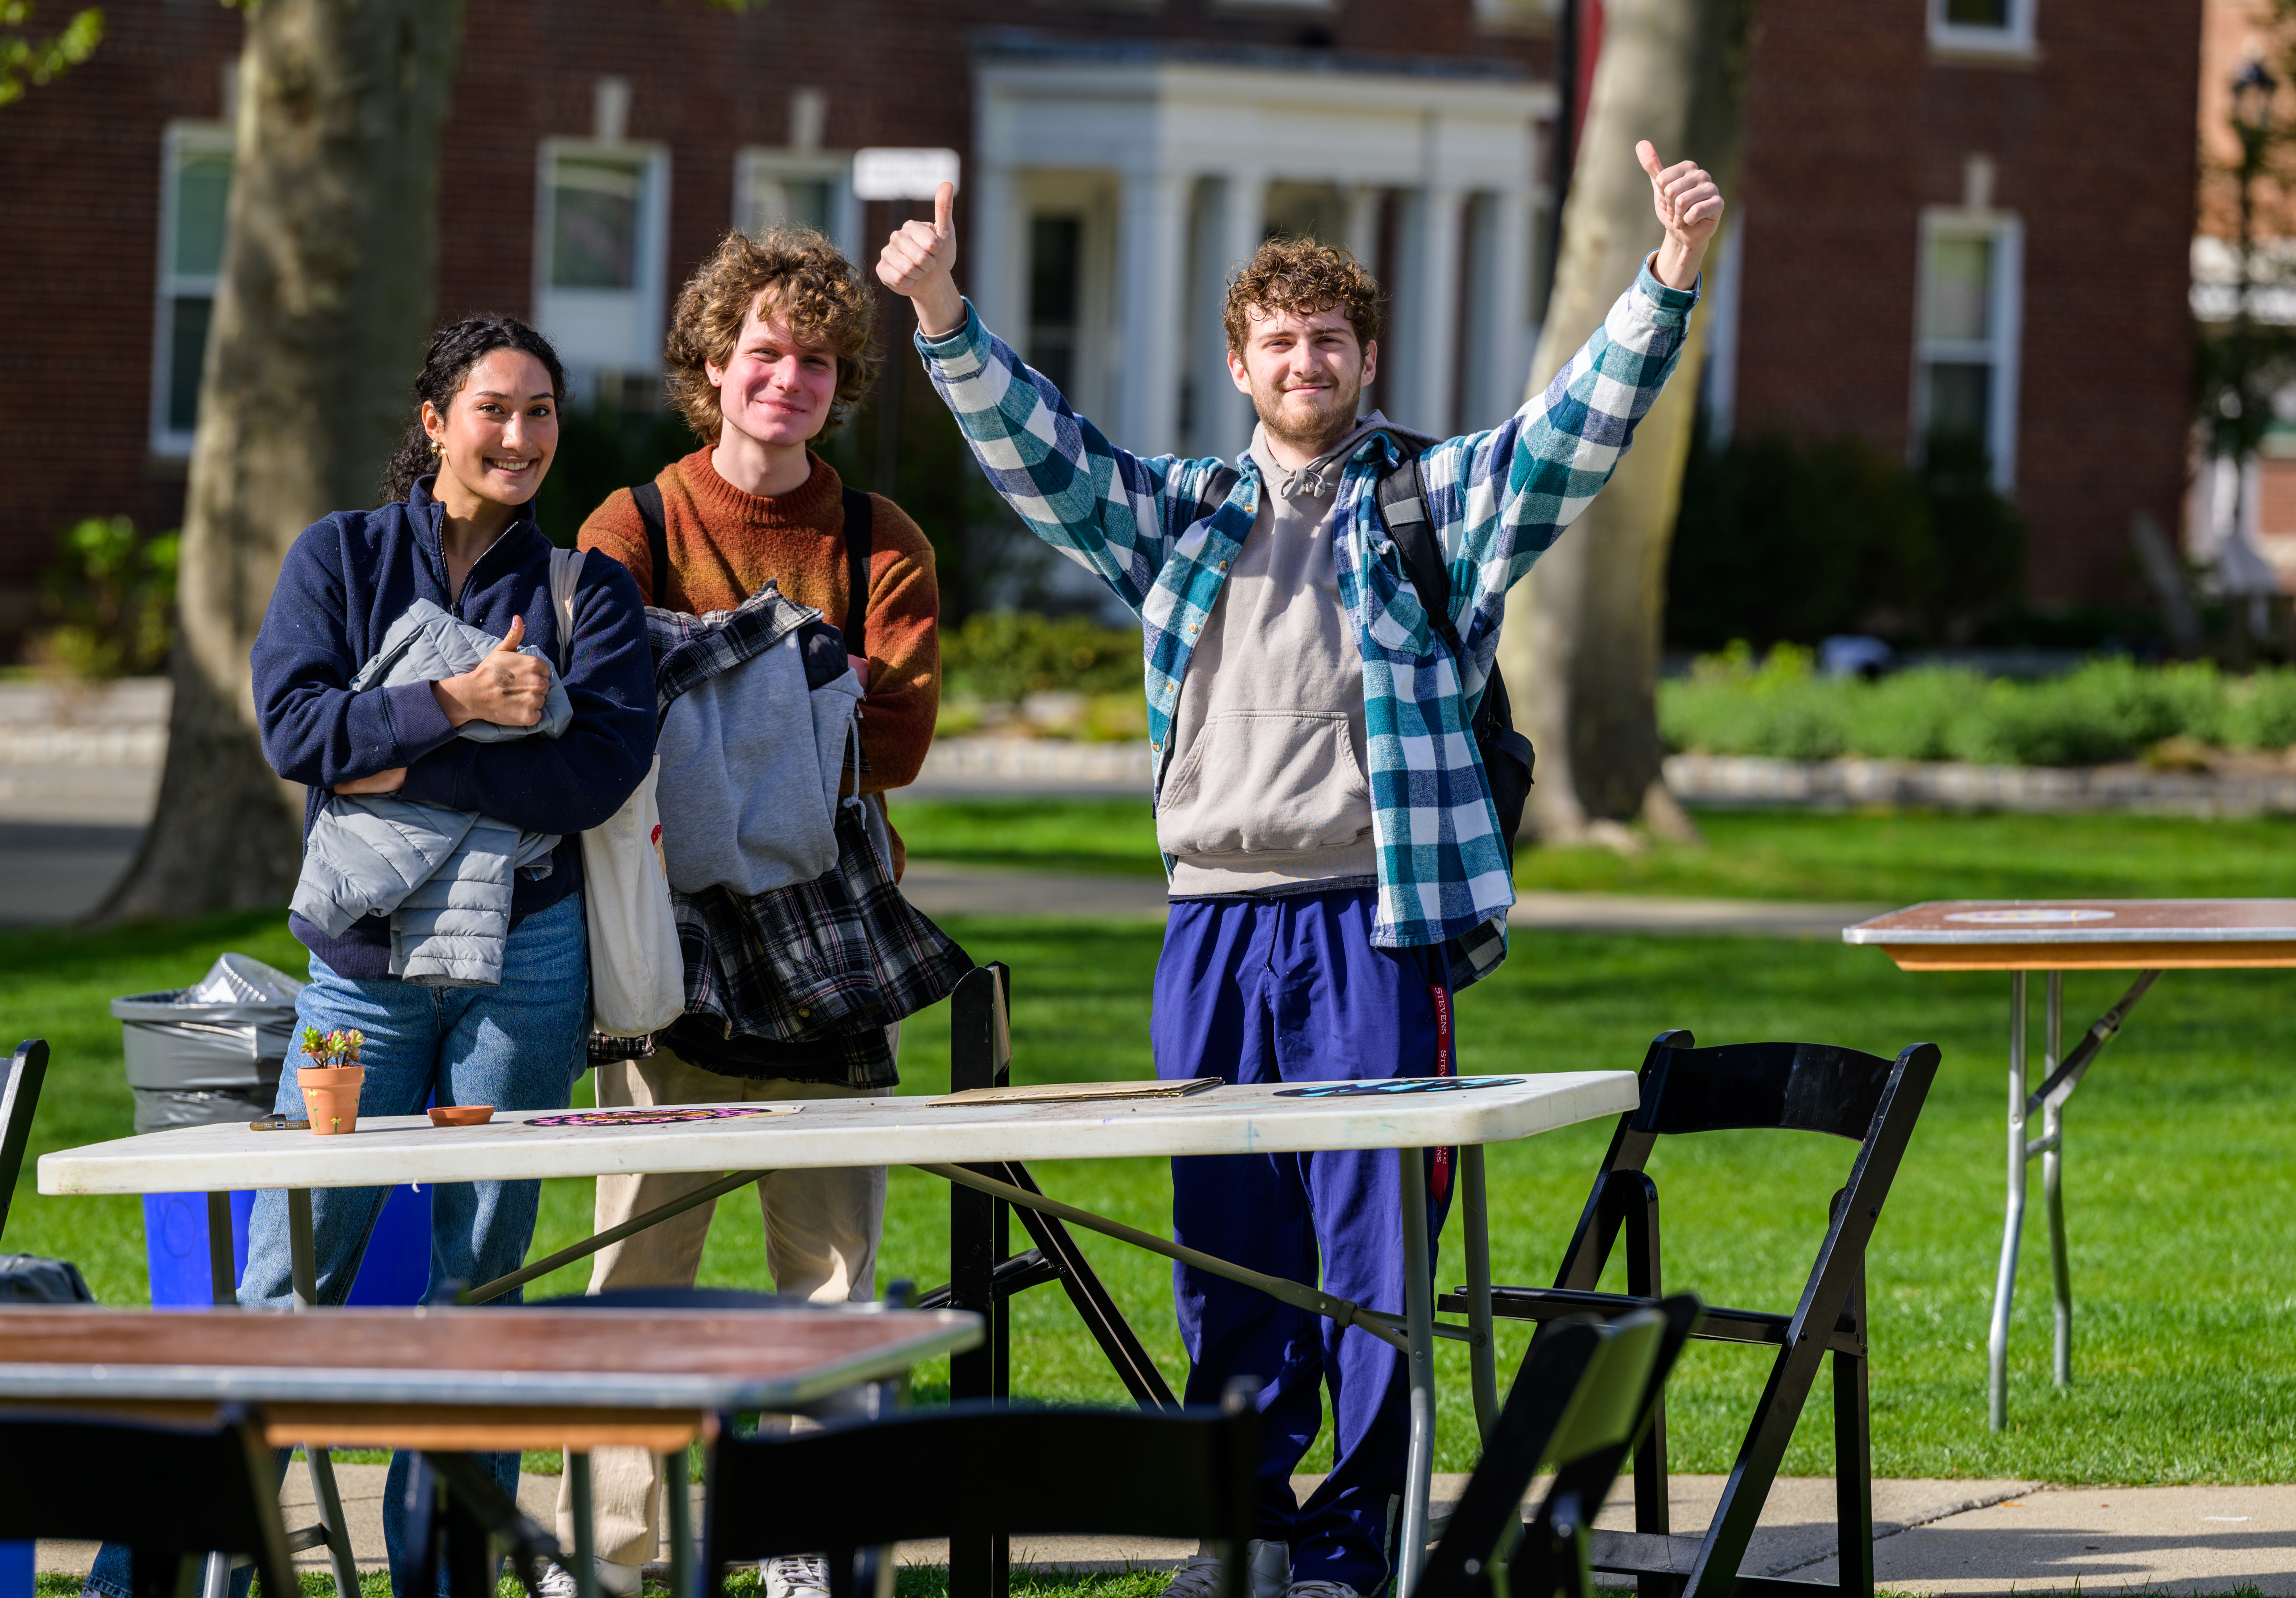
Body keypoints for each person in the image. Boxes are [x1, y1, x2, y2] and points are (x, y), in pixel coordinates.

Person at [879, 144, 1723, 1598]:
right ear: (1241, 364)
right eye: (1279, 340)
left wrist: (1669, 279)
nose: (1306, 359)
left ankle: (1361, 1542)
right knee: (1228, 1250)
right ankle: (1247, 1527)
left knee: (1375, 1255)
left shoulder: (1432, 505)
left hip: (1372, 927)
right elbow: (1044, 456)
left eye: (1329, 338)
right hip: (1211, 926)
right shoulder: (1185, 514)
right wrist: (946, 314)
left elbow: (1572, 435)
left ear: (1367, 357)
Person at [82, 315, 658, 1598]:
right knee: (296, 1265)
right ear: (436, 419)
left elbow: (596, 772)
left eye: (542, 413)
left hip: (532, 961)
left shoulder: (587, 592)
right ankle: (167, 1571)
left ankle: (441, 1576)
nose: (521, 437)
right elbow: (295, 727)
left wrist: (394, 757)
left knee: (481, 1279)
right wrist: (461, 704)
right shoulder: (339, 559)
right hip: (356, 974)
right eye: (495, 409)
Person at [547, 226, 942, 1598]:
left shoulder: (879, 538)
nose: (790, 380)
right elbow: (606, 715)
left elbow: (895, 744)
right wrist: (793, 683)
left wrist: (716, 687)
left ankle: (811, 1549)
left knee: (831, 1272)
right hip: (670, 941)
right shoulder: (632, 525)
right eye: (764, 354)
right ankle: (609, 1554)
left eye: (818, 360)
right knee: (638, 1263)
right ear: (710, 368)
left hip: (837, 938)